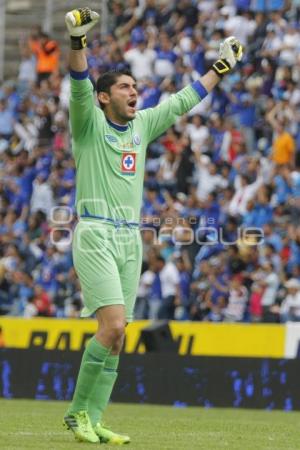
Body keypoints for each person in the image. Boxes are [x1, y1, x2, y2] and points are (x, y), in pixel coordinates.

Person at [62, 7, 243, 445]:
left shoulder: (141, 126)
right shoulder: (88, 124)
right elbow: (80, 85)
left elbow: (184, 100)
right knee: (112, 327)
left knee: (119, 336)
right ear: (105, 97)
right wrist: (78, 41)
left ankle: (95, 418)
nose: (133, 91)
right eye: (124, 86)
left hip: (130, 237)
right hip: (95, 233)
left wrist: (219, 67)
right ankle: (75, 414)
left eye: (135, 86)